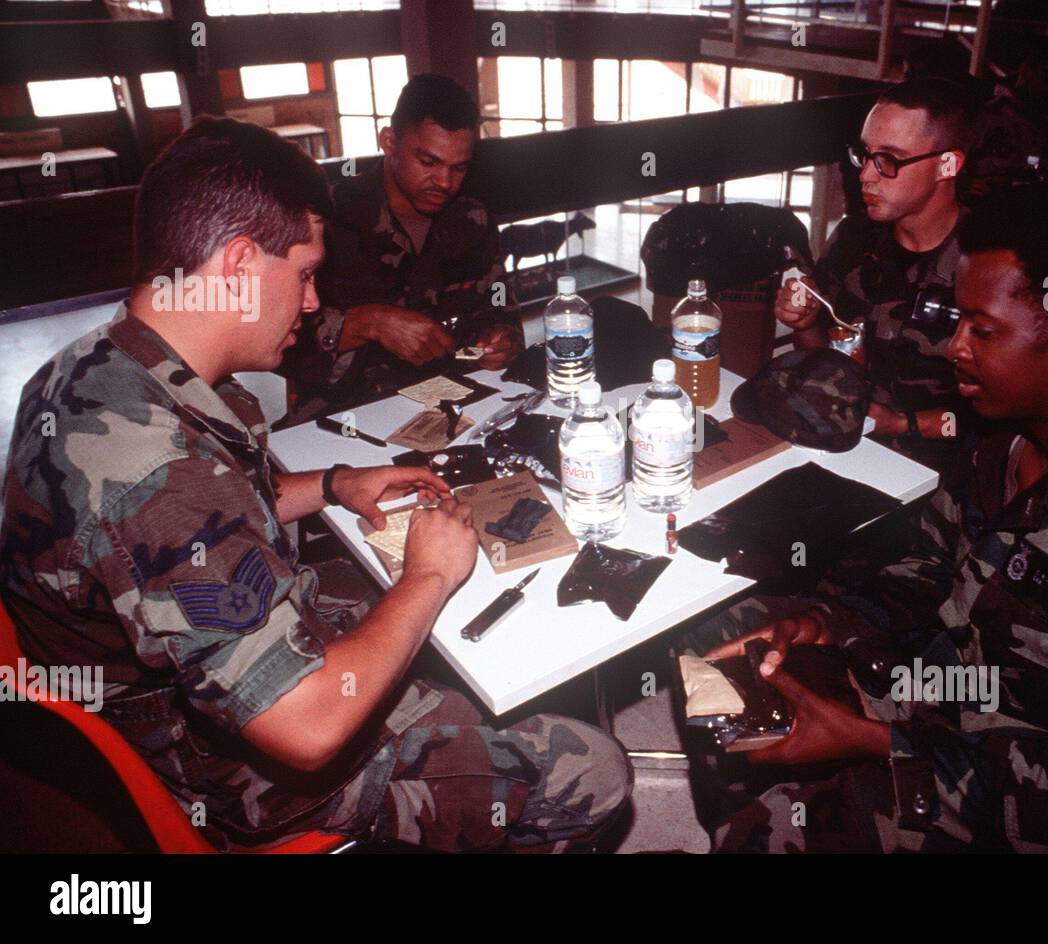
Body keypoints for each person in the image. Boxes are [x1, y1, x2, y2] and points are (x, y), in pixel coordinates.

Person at [0, 117, 630, 852]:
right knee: (592, 768)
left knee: (451, 633)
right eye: (302, 274)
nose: (310, 303)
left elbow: (207, 514)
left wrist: (335, 483)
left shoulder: (98, 368)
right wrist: (427, 575)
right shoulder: (152, 468)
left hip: (163, 691)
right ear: (238, 265)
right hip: (231, 773)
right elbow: (306, 729)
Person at [686, 180, 1048, 853]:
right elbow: (926, 569)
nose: (954, 348)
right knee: (724, 652)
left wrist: (878, 743)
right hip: (948, 692)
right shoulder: (1007, 437)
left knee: (780, 831)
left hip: (1035, 793)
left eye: (982, 329)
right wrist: (825, 625)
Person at [280, 74, 524, 424]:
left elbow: (500, 305)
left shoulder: (472, 219)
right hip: (345, 417)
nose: (444, 182)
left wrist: (502, 339)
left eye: (459, 168)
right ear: (389, 141)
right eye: (428, 162)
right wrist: (368, 323)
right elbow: (276, 343)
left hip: (451, 405)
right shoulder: (324, 220)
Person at [774, 78, 977, 476]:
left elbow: (1014, 419)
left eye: (890, 159)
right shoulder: (855, 239)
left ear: (947, 165)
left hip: (946, 478)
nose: (866, 174)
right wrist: (806, 320)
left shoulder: (989, 266)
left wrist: (904, 423)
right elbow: (827, 365)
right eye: (865, 154)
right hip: (849, 451)